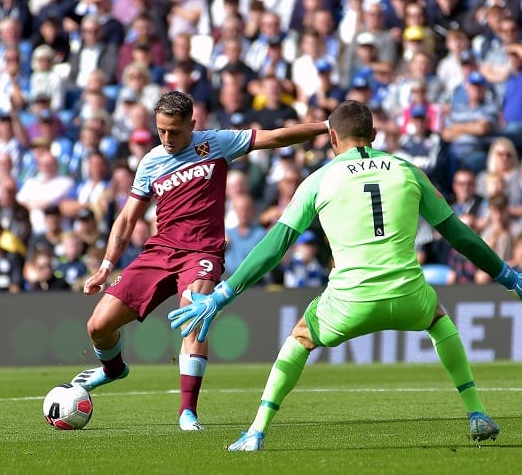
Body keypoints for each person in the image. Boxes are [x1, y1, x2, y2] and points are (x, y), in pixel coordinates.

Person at [167, 100, 522, 451]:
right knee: (439, 319)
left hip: (348, 303)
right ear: (374, 134)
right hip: (409, 296)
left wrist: (223, 294)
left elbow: (275, 246)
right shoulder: (408, 169)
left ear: (331, 136)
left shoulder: (318, 179)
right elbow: (458, 234)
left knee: (301, 337)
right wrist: (508, 276)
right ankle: (475, 411)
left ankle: (256, 430)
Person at [69, 90, 330, 431]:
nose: (167, 138)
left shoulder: (217, 144)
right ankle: (113, 369)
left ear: (192, 124)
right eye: (161, 130)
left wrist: (327, 125)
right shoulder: (150, 162)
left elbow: (277, 137)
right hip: (159, 252)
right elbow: (127, 219)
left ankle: (187, 412)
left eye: (174, 131)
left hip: (202, 253)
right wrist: (105, 266)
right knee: (98, 325)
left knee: (194, 310)